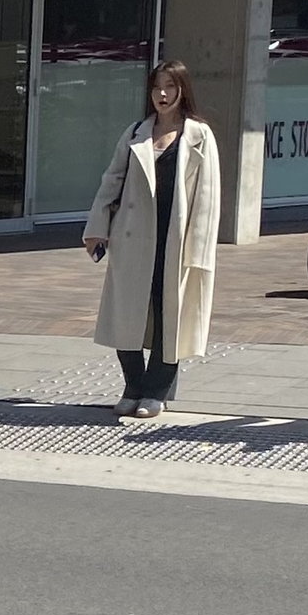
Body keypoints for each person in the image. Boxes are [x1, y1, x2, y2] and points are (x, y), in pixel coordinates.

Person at [80, 59, 220, 420]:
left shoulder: (199, 136)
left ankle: (156, 390)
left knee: (170, 318)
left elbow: (208, 197)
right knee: (126, 315)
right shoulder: (135, 133)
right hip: (132, 240)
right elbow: (110, 182)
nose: (162, 94)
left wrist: (200, 249)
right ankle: (133, 385)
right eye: (157, 86)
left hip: (175, 241)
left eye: (170, 86)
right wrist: (96, 228)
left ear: (182, 90)